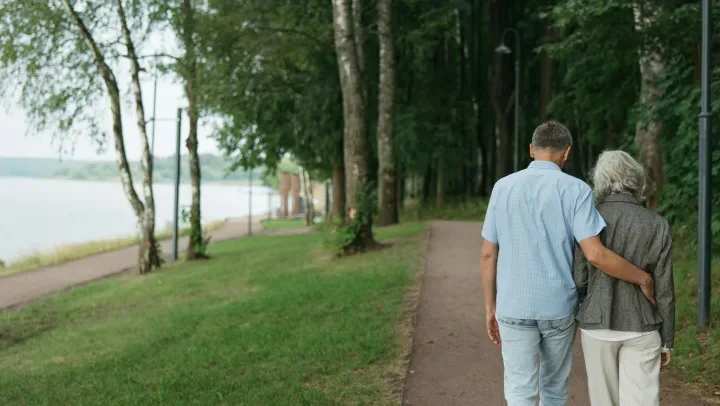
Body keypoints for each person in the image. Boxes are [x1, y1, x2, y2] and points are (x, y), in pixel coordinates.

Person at [479, 121, 655, 406]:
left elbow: (488, 253)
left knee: (519, 391)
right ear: (567, 152)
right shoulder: (577, 190)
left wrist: (490, 307)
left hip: (513, 305)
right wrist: (642, 277)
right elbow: (595, 254)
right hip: (557, 307)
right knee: (554, 388)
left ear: (531, 149)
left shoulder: (503, 187)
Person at [575, 150, 674, 406]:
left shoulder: (589, 217)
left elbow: (580, 278)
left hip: (597, 324)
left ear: (602, 179)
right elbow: (664, 288)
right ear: (636, 180)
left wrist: (584, 306)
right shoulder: (657, 223)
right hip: (643, 326)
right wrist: (668, 341)